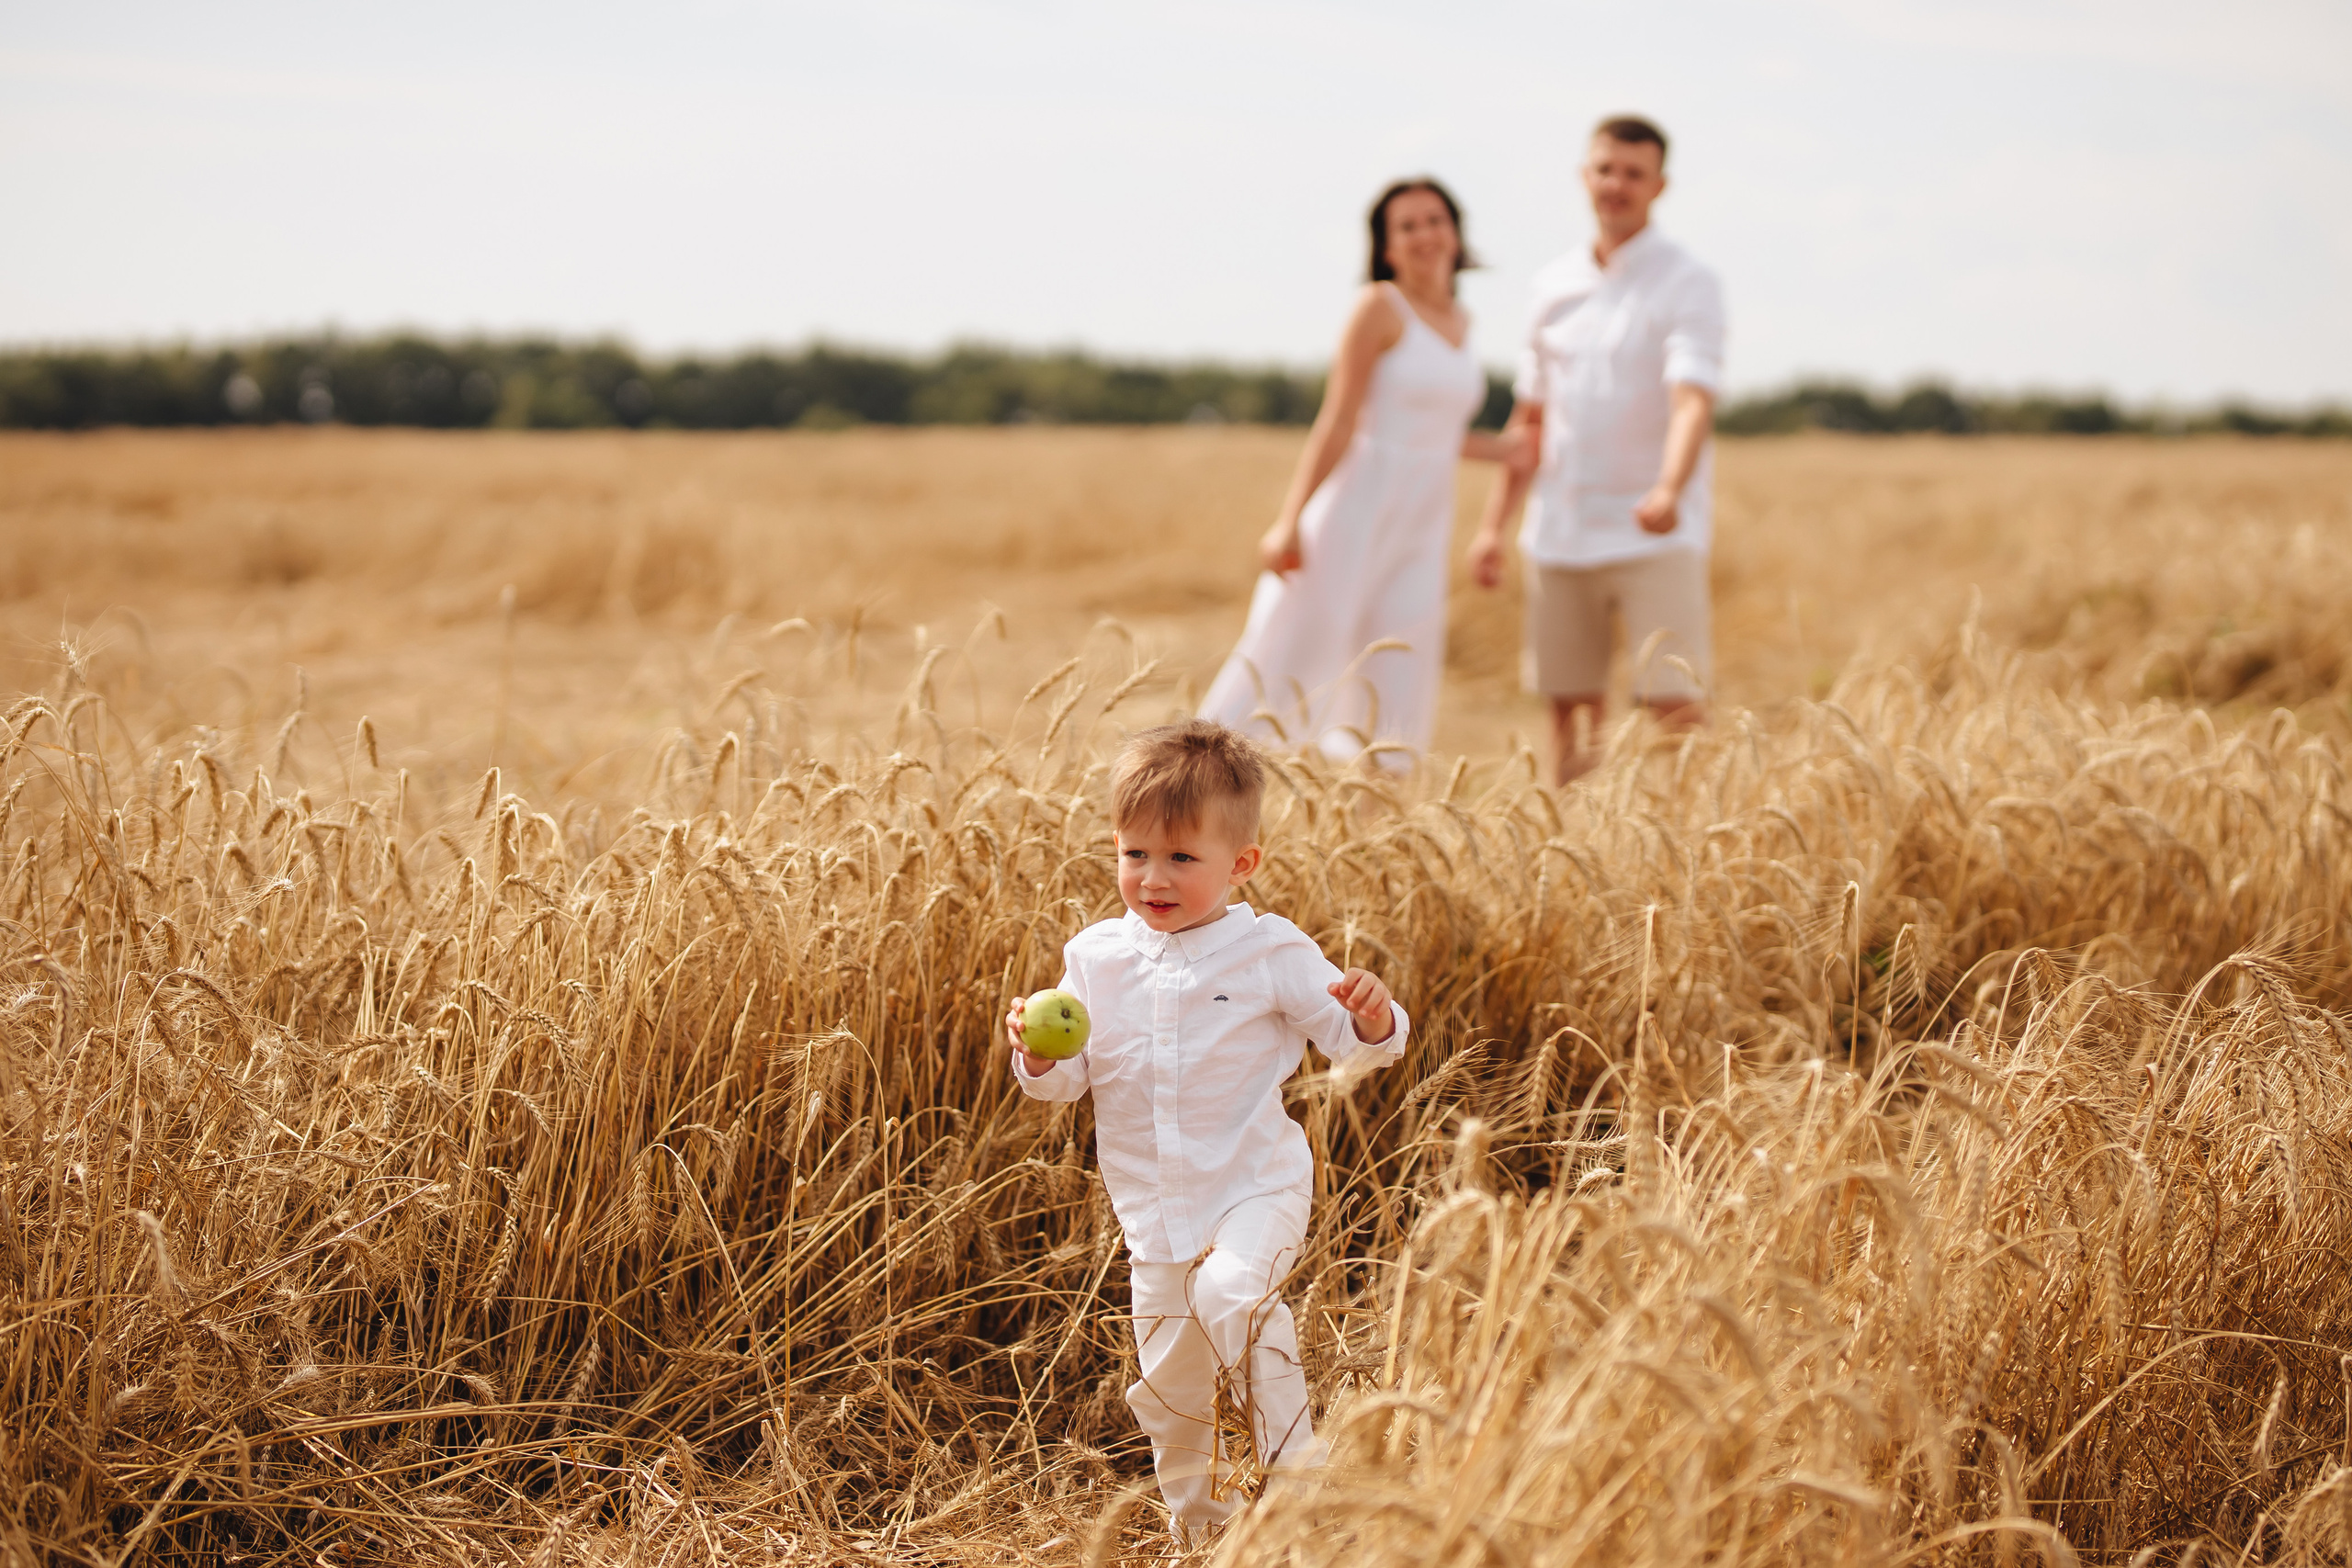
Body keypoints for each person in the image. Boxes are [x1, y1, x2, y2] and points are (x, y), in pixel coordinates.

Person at [1005, 720, 1408, 1541]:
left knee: (1234, 1293)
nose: (1153, 878)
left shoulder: (1268, 951)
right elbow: (1068, 1082)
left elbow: (1360, 1044)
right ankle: (1209, 1535)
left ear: (1241, 863)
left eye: (1182, 859)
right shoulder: (1095, 959)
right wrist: (1039, 1055)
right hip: (1153, 1219)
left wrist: (1372, 1015)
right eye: (1134, 854)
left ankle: (1303, 1484)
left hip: (1253, 1189)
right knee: (1173, 1392)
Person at [1200, 177, 1532, 765]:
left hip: (1422, 521)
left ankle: (1375, 826)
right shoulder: (1379, 307)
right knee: (1292, 651)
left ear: (1455, 233)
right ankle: (1201, 784)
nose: (1424, 235)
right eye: (1406, 227)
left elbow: (1433, 431)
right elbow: (1339, 420)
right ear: (1386, 247)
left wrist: (1504, 450)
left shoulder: (1463, 320)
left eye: (1435, 221)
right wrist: (1289, 520)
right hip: (1356, 507)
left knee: (1398, 659)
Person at [1467, 115, 1726, 784]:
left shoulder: (1687, 280)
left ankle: (1700, 849)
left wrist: (1669, 487)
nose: (1617, 185)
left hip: (1653, 534)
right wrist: (1494, 526)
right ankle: (1581, 849)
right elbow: (1531, 419)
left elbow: (1692, 399)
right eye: (1605, 169)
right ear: (1586, 176)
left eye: (1633, 174)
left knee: (1674, 706)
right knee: (1570, 710)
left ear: (1659, 185)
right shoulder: (1552, 286)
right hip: (1561, 533)